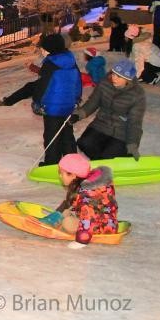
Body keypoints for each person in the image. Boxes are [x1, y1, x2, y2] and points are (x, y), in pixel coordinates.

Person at [73, 60, 145, 160]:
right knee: (84, 144)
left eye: (119, 76)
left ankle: (112, 156)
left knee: (109, 156)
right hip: (101, 124)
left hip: (121, 132)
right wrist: (79, 114)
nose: (114, 78)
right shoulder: (104, 83)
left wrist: (132, 145)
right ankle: (102, 159)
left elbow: (135, 123)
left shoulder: (137, 95)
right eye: (113, 73)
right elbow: (93, 102)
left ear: (127, 79)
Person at [32, 33, 82, 166]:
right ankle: (72, 163)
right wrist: (77, 98)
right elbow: (77, 81)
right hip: (69, 105)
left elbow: (43, 85)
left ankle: (52, 164)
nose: (41, 51)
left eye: (42, 49)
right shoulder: (71, 61)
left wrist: (36, 102)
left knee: (51, 136)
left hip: (52, 107)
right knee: (67, 135)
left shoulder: (50, 64)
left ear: (50, 49)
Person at [52, 153, 118, 248]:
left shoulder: (87, 194)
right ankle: (56, 222)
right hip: (100, 220)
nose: (60, 176)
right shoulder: (84, 185)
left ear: (73, 175)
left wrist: (81, 240)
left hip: (102, 226)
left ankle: (70, 229)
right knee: (66, 212)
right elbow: (75, 205)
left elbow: (88, 217)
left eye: (62, 173)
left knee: (67, 222)